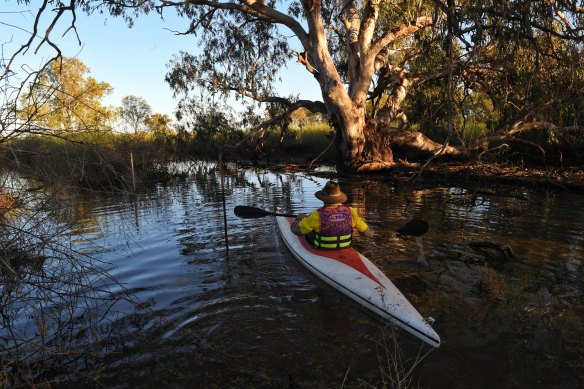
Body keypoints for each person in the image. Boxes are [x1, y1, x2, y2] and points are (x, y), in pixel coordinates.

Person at [290, 181, 373, 249]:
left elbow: (296, 230)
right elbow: (368, 233)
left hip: (322, 248)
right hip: (345, 246)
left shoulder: (316, 214)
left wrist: (299, 219)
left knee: (309, 230)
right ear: (339, 197)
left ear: (324, 199)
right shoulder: (351, 211)